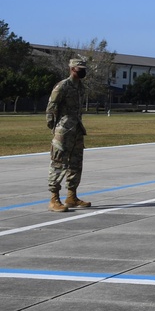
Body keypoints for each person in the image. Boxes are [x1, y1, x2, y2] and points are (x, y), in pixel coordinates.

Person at [45, 57, 91, 211]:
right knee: (59, 163)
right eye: (80, 69)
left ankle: (72, 196)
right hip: (63, 130)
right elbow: (51, 108)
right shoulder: (62, 86)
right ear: (72, 69)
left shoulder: (80, 87)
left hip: (77, 129)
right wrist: (55, 128)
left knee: (76, 164)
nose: (83, 71)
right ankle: (54, 199)